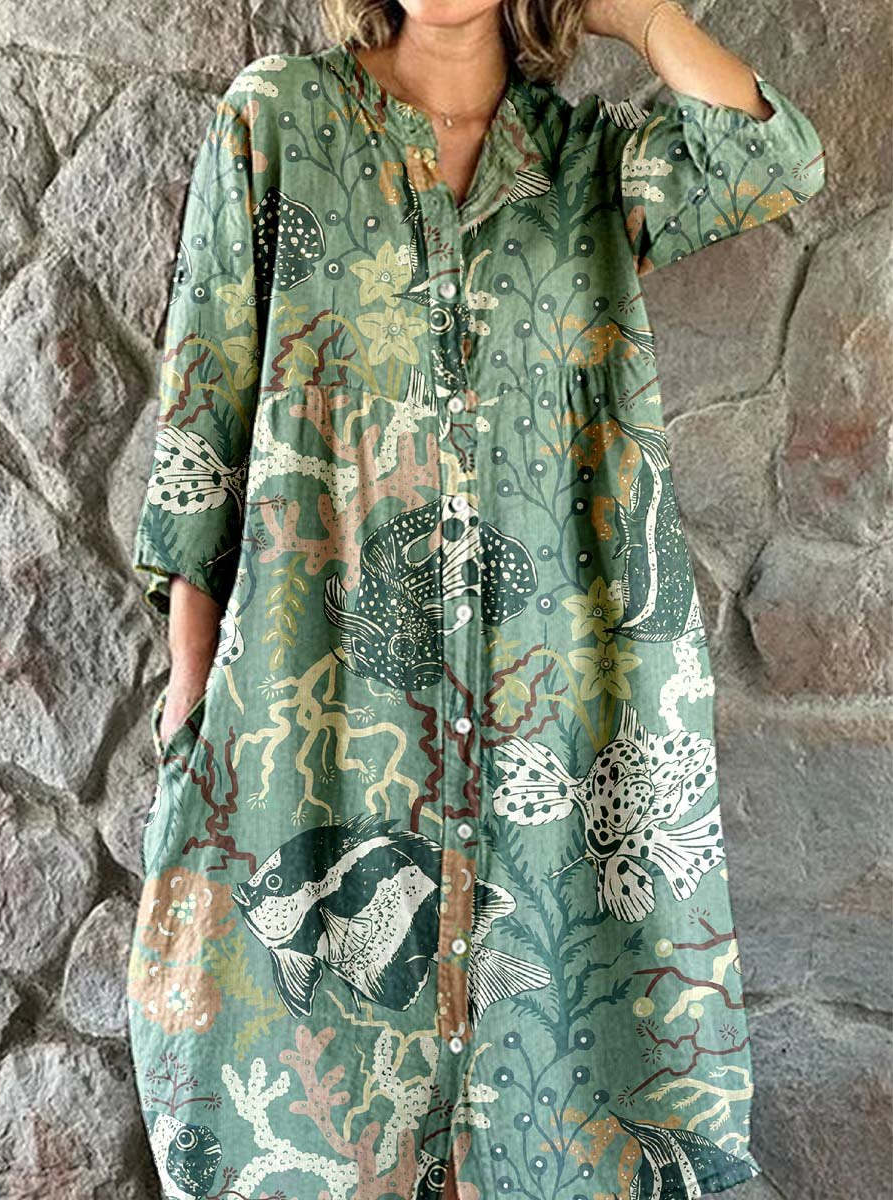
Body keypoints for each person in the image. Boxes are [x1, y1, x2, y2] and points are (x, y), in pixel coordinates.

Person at [127, 3, 826, 1198]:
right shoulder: (277, 120)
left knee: (555, 1109)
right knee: (305, 1112)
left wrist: (633, 13)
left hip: (553, 706)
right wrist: (191, 694)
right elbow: (204, 411)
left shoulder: (588, 160)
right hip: (320, 702)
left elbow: (775, 155)